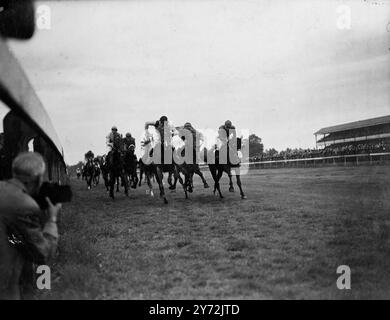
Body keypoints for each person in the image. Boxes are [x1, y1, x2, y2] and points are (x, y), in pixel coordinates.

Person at [0, 152, 62, 299]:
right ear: (38, 179)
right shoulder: (27, 205)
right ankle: (41, 290)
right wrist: (51, 219)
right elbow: (42, 254)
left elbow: (14, 237)